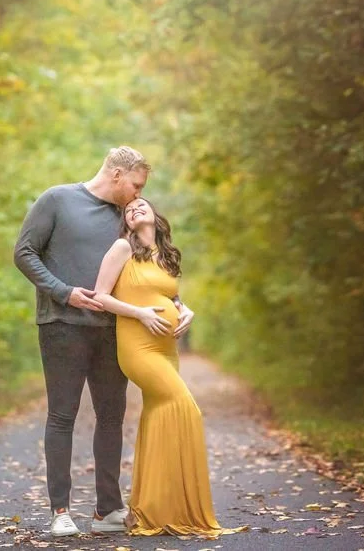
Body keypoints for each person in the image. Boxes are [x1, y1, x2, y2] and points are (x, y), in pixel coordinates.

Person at [13, 147, 196, 537]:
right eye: (135, 184)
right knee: (62, 415)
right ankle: (60, 511)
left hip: (116, 330)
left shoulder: (130, 217)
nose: (138, 194)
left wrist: (179, 304)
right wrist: (63, 291)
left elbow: (151, 270)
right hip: (62, 323)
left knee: (112, 417)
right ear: (117, 175)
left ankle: (107, 510)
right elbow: (24, 253)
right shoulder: (58, 199)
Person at [90, 197, 239, 538]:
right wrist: (141, 313)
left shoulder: (167, 255)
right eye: (128, 209)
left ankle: (157, 509)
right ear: (125, 223)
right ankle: (177, 505)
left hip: (166, 346)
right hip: (137, 345)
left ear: (155, 215)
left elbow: (169, 296)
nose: (134, 208)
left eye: (141, 204)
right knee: (185, 407)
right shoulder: (121, 248)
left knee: (159, 415)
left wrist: (186, 310)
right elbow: (100, 296)